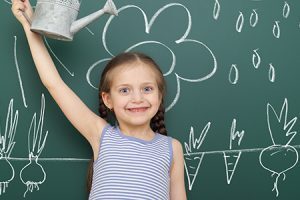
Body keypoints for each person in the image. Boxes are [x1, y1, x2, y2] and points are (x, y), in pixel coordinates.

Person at [11, 0, 187, 199]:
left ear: (159, 95)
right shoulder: (101, 135)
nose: (137, 98)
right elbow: (54, 84)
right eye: (124, 90)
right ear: (107, 99)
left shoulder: (172, 148)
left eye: (147, 89)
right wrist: (29, 25)